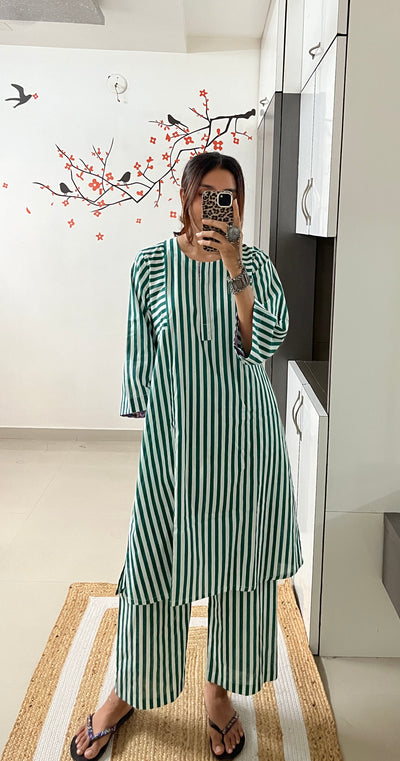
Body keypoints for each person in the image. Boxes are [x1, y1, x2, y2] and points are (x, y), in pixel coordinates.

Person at [70, 152, 303, 761]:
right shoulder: (150, 265)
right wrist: (157, 428)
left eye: (229, 197)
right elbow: (140, 354)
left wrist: (235, 270)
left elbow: (267, 342)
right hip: (175, 447)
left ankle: (218, 692)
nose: (216, 206)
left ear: (239, 205)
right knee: (153, 564)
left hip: (245, 443)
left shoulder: (254, 265)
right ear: (187, 197)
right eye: (207, 194)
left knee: (239, 566)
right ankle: (129, 687)